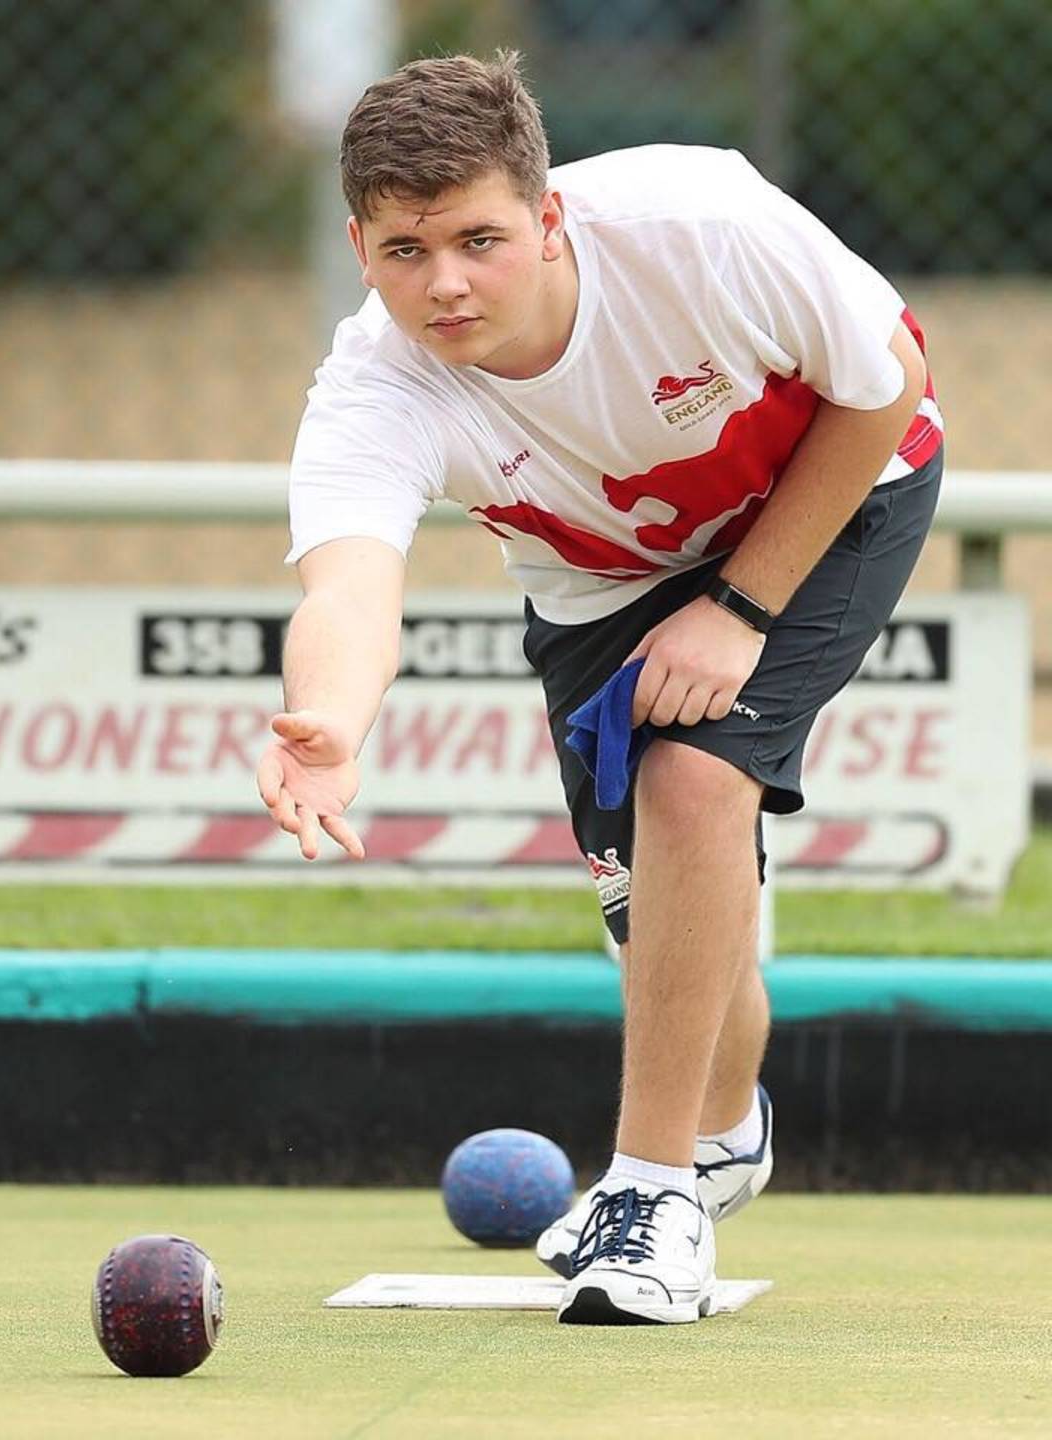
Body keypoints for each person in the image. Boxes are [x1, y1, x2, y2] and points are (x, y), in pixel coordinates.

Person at [254, 51, 943, 1325]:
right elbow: (348, 590)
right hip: (600, 586)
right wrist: (331, 727)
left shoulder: (702, 224)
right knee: (668, 928)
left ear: (550, 212)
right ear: (359, 247)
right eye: (406, 251)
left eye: (478, 239)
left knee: (695, 774)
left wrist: (739, 611)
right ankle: (724, 1133)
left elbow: (887, 378)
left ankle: (651, 1190)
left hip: (838, 489)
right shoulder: (374, 386)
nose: (445, 284)